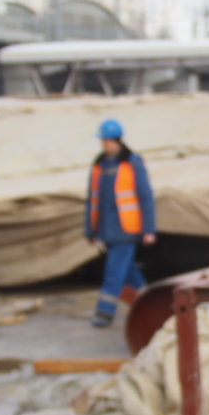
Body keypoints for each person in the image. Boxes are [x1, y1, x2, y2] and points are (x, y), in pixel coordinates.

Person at [85, 119, 156, 327]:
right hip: (107, 230)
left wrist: (149, 229)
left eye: (107, 140)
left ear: (116, 140)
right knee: (128, 273)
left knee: (114, 273)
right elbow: (93, 199)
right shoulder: (100, 165)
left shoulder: (132, 162)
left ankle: (104, 313)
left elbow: (146, 197)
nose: (105, 144)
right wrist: (90, 230)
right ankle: (152, 304)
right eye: (103, 140)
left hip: (127, 230)